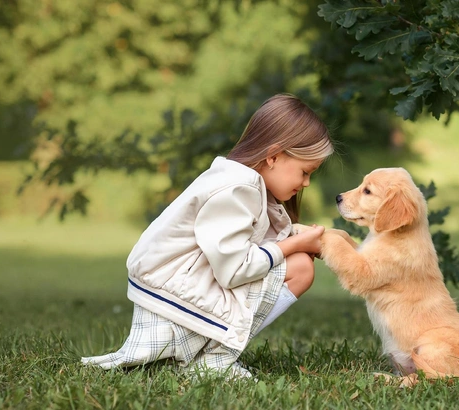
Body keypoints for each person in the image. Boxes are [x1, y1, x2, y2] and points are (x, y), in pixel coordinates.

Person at [81, 93, 333, 379]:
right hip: (171, 300)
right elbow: (235, 270)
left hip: (173, 288)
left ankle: (207, 355)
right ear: (273, 156)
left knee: (297, 258)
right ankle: (215, 359)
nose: (307, 183)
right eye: (305, 172)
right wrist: (295, 244)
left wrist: (296, 240)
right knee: (300, 267)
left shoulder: (240, 182)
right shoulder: (239, 189)